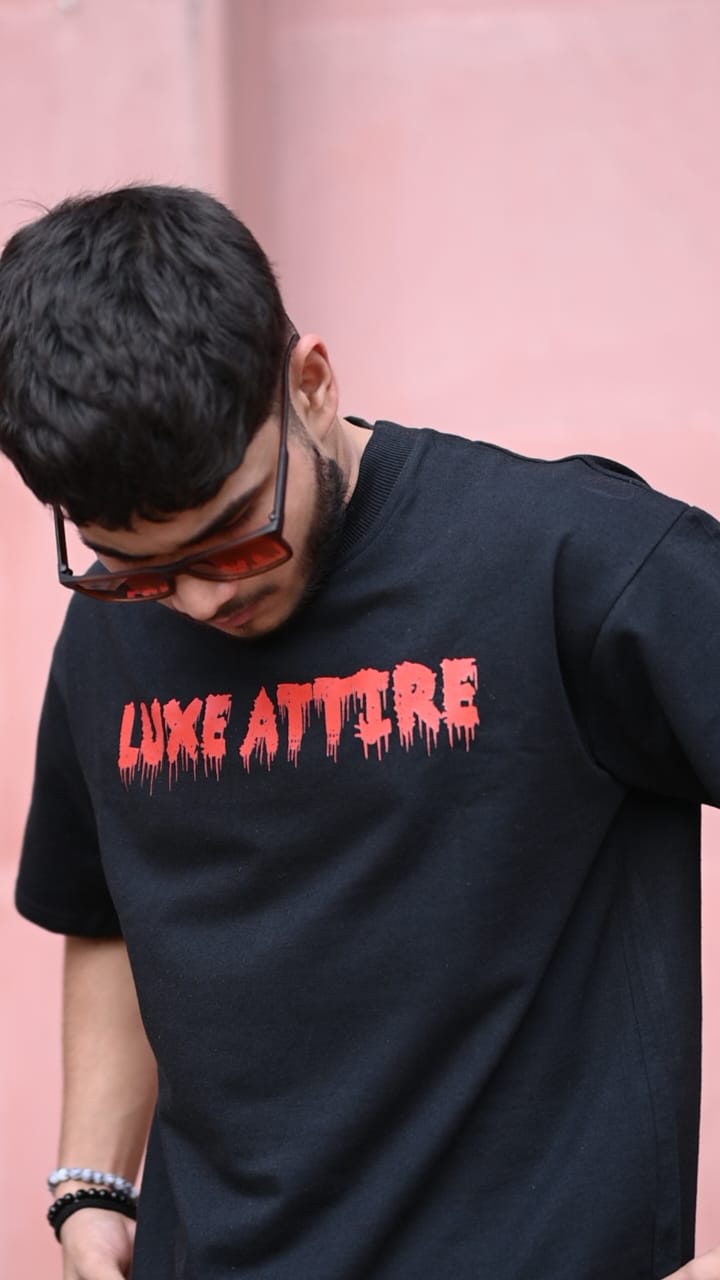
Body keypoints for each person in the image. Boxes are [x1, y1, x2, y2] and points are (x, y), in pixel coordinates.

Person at [0, 184, 718, 1280]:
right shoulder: (110, 621)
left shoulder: (575, 561)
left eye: (234, 539)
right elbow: (105, 902)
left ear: (312, 384)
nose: (198, 599)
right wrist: (90, 1186)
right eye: (141, 569)